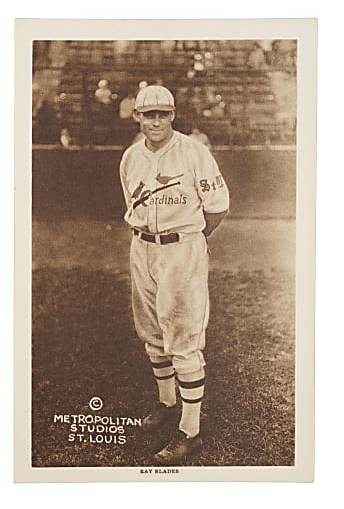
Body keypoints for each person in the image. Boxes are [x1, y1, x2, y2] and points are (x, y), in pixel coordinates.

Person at [119, 85, 229, 465]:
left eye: (162, 114)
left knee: (182, 339)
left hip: (181, 248)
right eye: (148, 114)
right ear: (137, 116)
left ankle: (190, 431)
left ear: (173, 115)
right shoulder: (131, 157)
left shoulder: (195, 152)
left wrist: (192, 242)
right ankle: (167, 403)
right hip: (142, 247)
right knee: (150, 331)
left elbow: (217, 208)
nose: (155, 121)